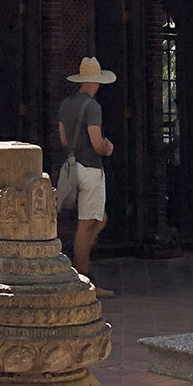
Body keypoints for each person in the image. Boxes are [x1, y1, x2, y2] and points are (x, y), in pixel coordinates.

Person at [57, 56, 116, 295]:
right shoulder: (92, 107)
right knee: (89, 223)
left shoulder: (65, 105)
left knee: (98, 219)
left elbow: (63, 139)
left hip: (72, 167)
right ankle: (82, 280)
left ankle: (79, 264)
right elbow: (96, 141)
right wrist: (107, 147)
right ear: (96, 82)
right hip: (91, 168)